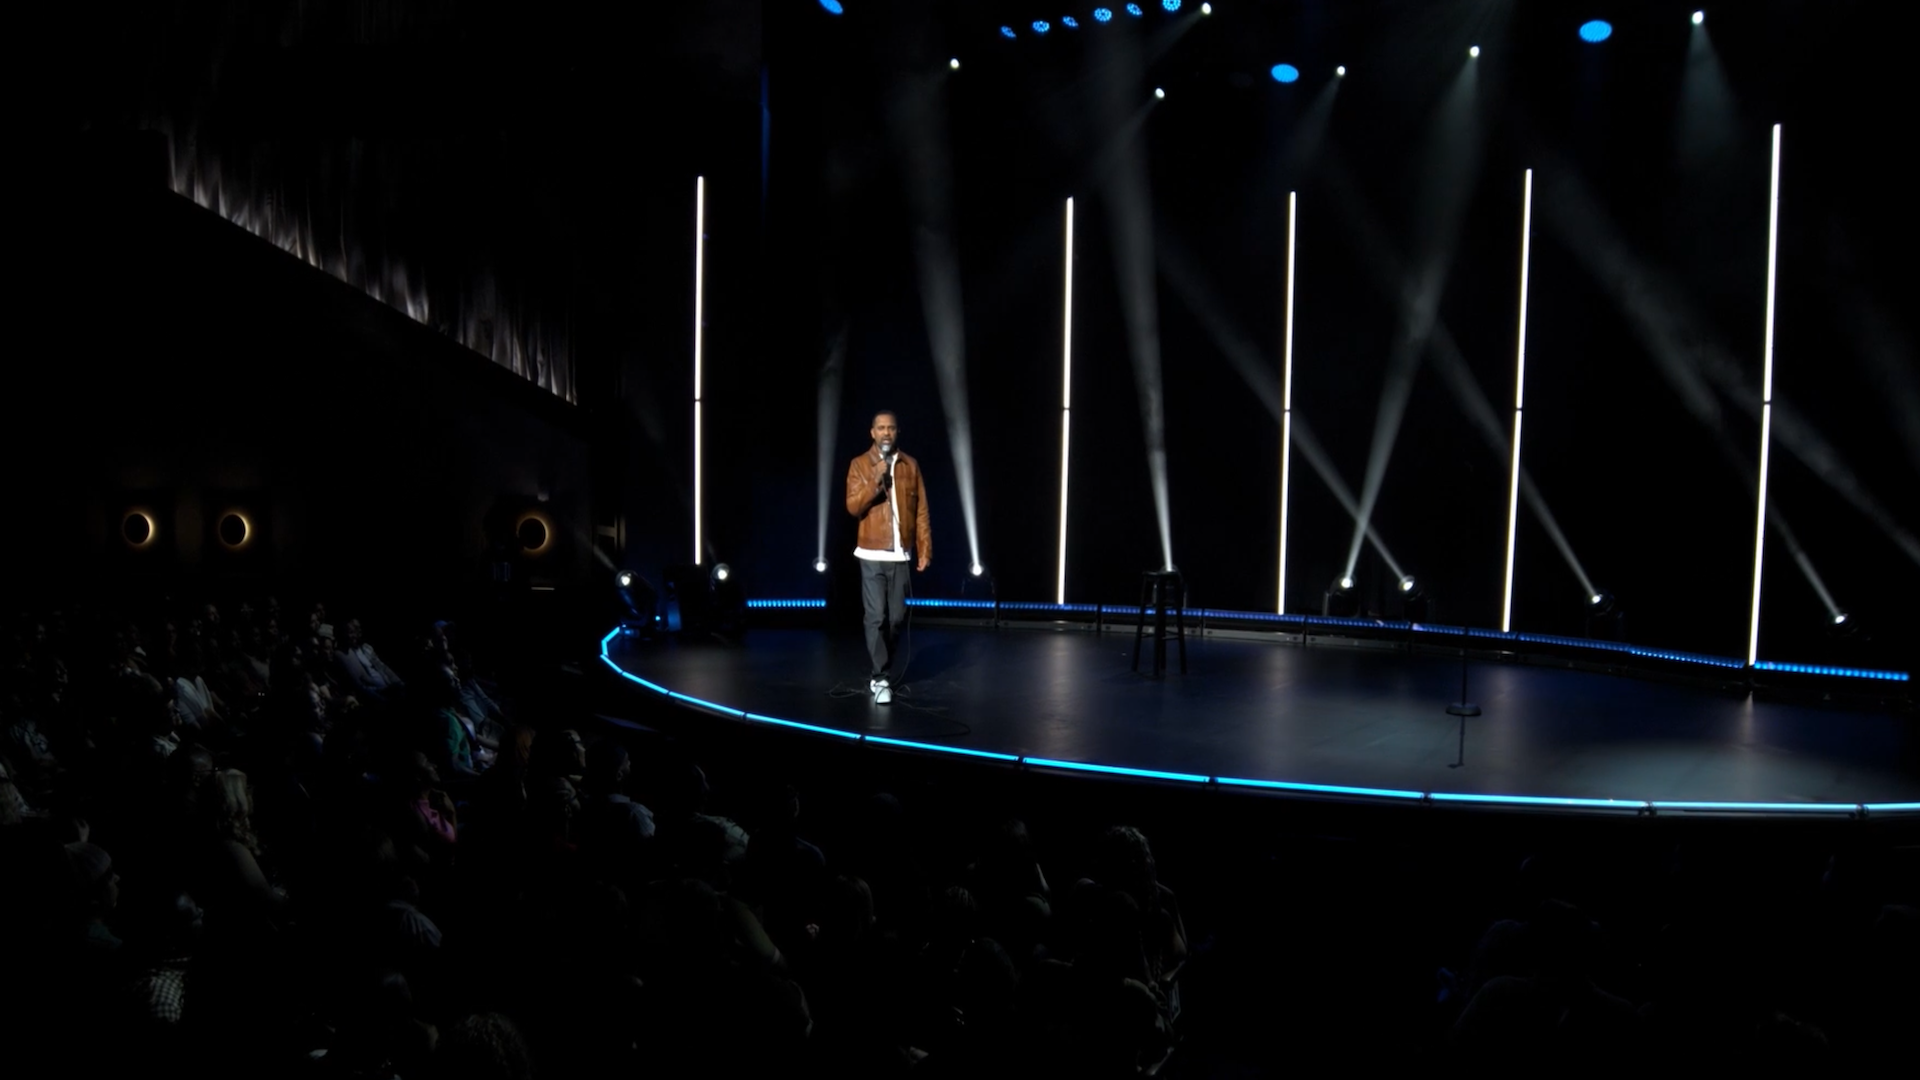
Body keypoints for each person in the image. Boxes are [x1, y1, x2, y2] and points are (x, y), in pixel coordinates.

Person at [844, 410, 931, 704]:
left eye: (890, 428)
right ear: (872, 432)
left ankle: (882, 670)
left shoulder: (910, 465)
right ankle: (880, 677)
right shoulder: (859, 464)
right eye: (880, 428)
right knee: (876, 616)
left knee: (896, 618)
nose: (886, 433)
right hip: (870, 552)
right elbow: (853, 507)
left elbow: (921, 511)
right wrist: (874, 480)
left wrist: (924, 548)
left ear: (897, 432)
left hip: (901, 554)